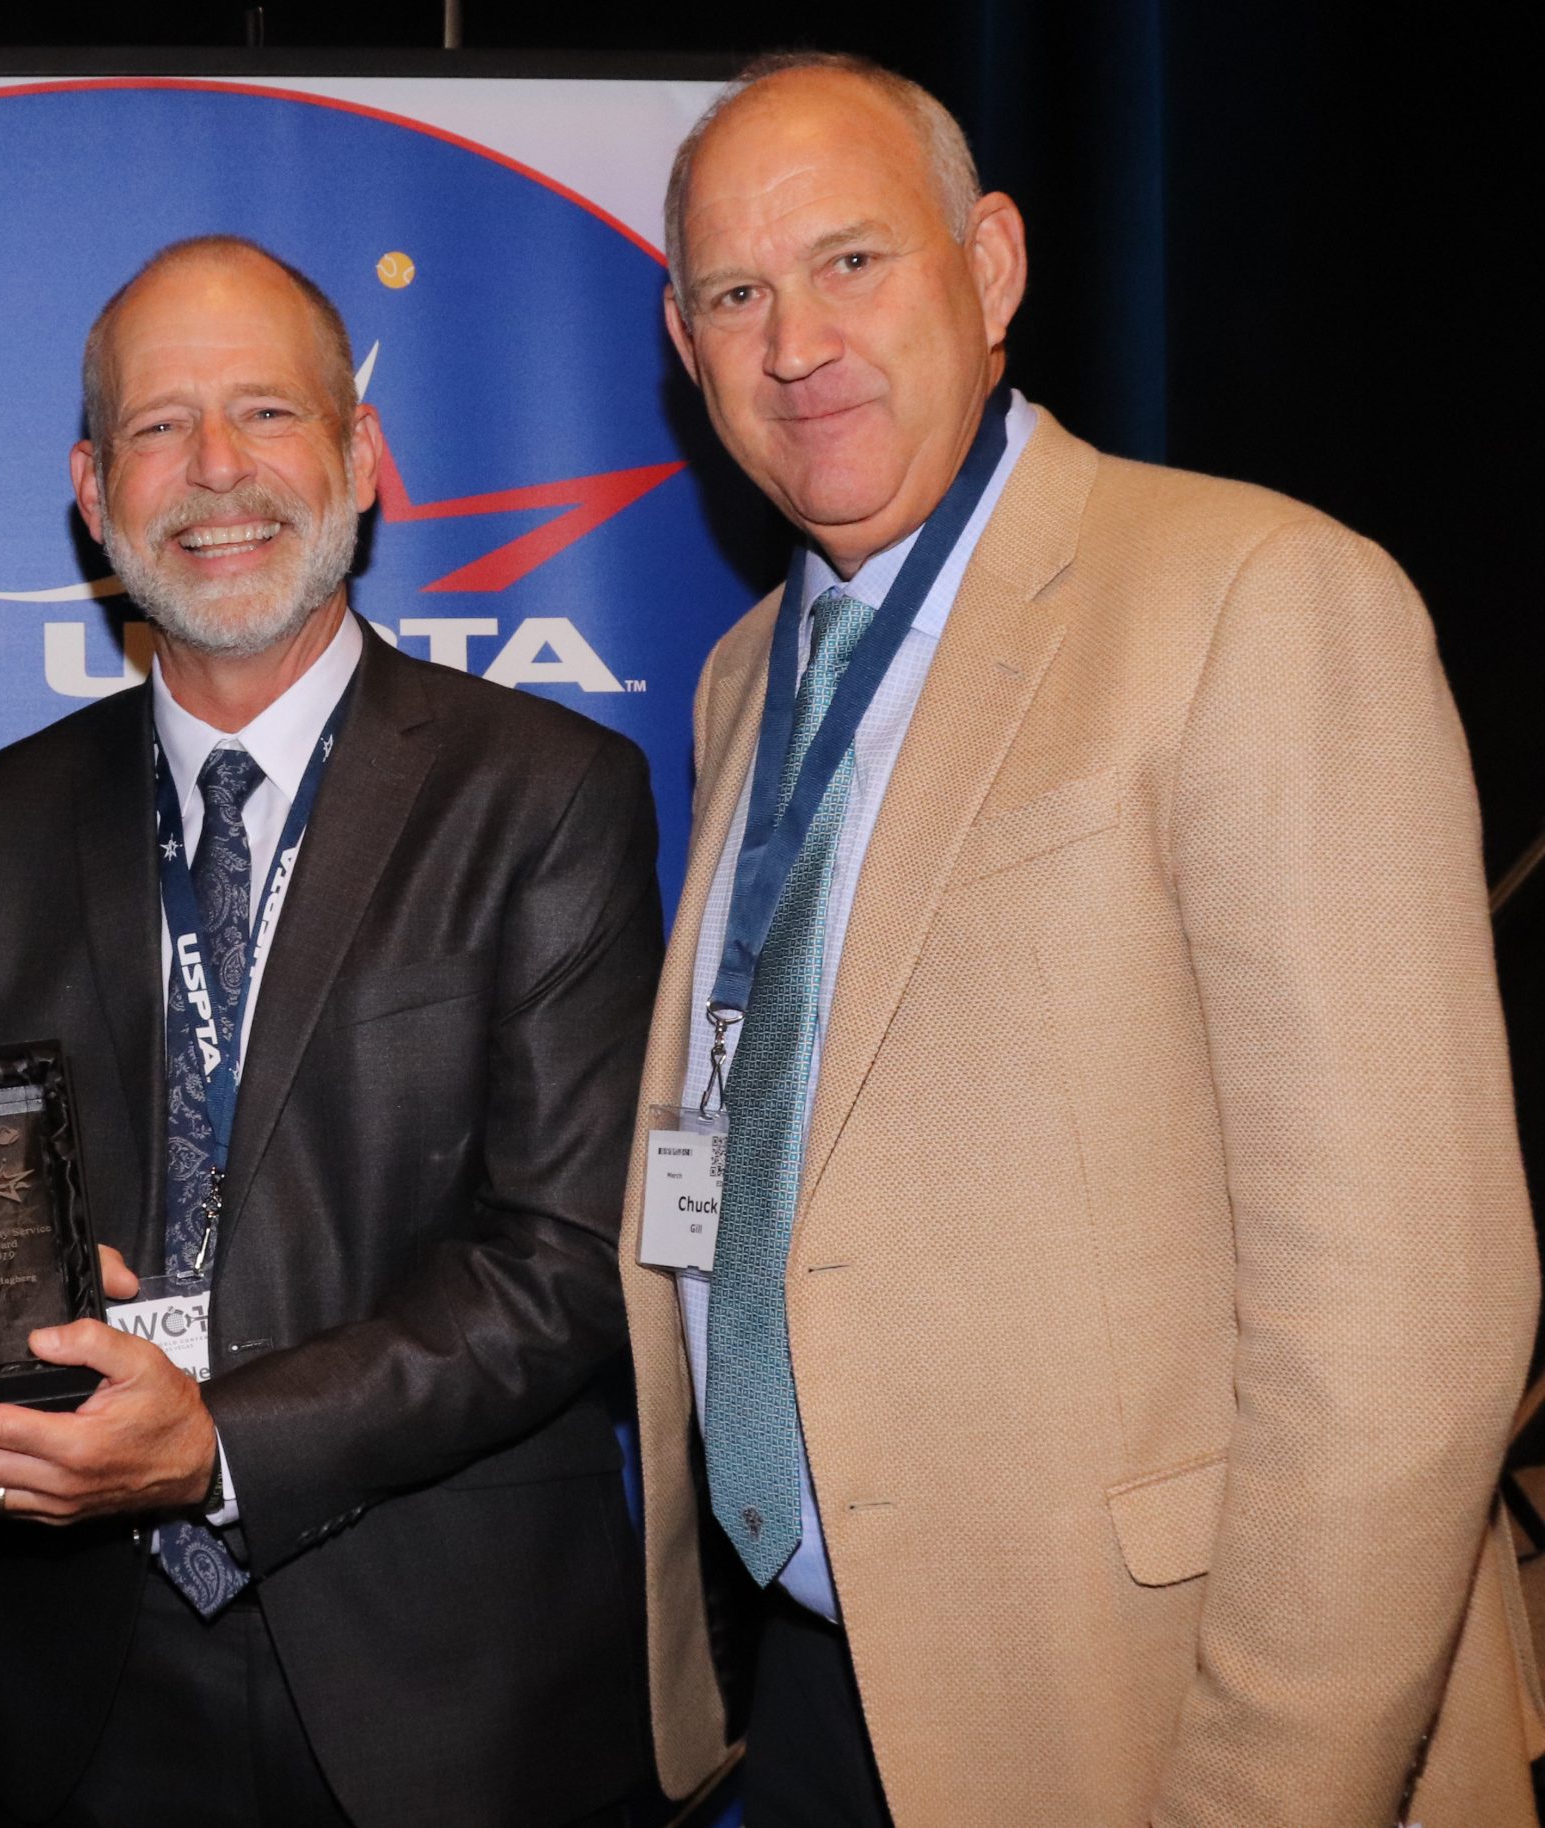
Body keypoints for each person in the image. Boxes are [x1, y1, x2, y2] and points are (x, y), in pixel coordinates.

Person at [619, 51, 1542, 1827]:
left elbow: (1411, 1321)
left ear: (993, 264)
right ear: (684, 339)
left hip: (1167, 1718)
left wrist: (1271, 1793)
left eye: (852, 262)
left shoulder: (1260, 600)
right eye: (738, 292)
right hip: (827, 1688)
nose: (794, 341)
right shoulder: (751, 676)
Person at [0, 235, 661, 1827]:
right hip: (88, 1685)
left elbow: (572, 1257)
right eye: (161, 428)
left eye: (268, 414)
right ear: (93, 490)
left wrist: (216, 1446)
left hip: (452, 1682)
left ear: (362, 460)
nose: (216, 471)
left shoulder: (550, 796)